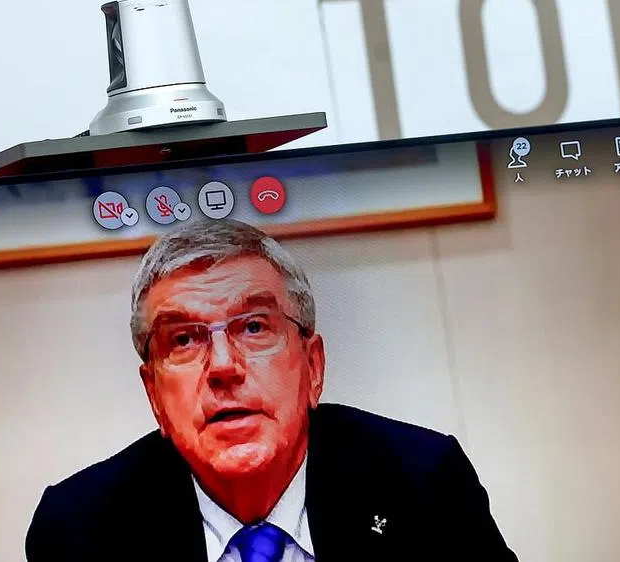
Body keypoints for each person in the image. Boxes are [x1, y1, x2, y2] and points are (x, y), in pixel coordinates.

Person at [26, 219, 517, 562]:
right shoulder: (79, 531)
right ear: (154, 394)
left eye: (254, 327)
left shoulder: (423, 482)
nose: (223, 367)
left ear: (313, 366)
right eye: (184, 339)